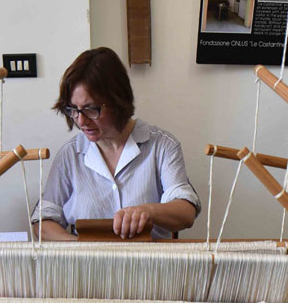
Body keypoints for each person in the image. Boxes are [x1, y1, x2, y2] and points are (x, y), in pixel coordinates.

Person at [31, 47, 200, 241]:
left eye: (90, 109)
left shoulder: (162, 146)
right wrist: (78, 246)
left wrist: (147, 211)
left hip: (150, 267)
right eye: (74, 110)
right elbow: (42, 222)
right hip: (88, 268)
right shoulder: (71, 155)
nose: (81, 121)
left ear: (118, 101)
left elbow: (186, 212)